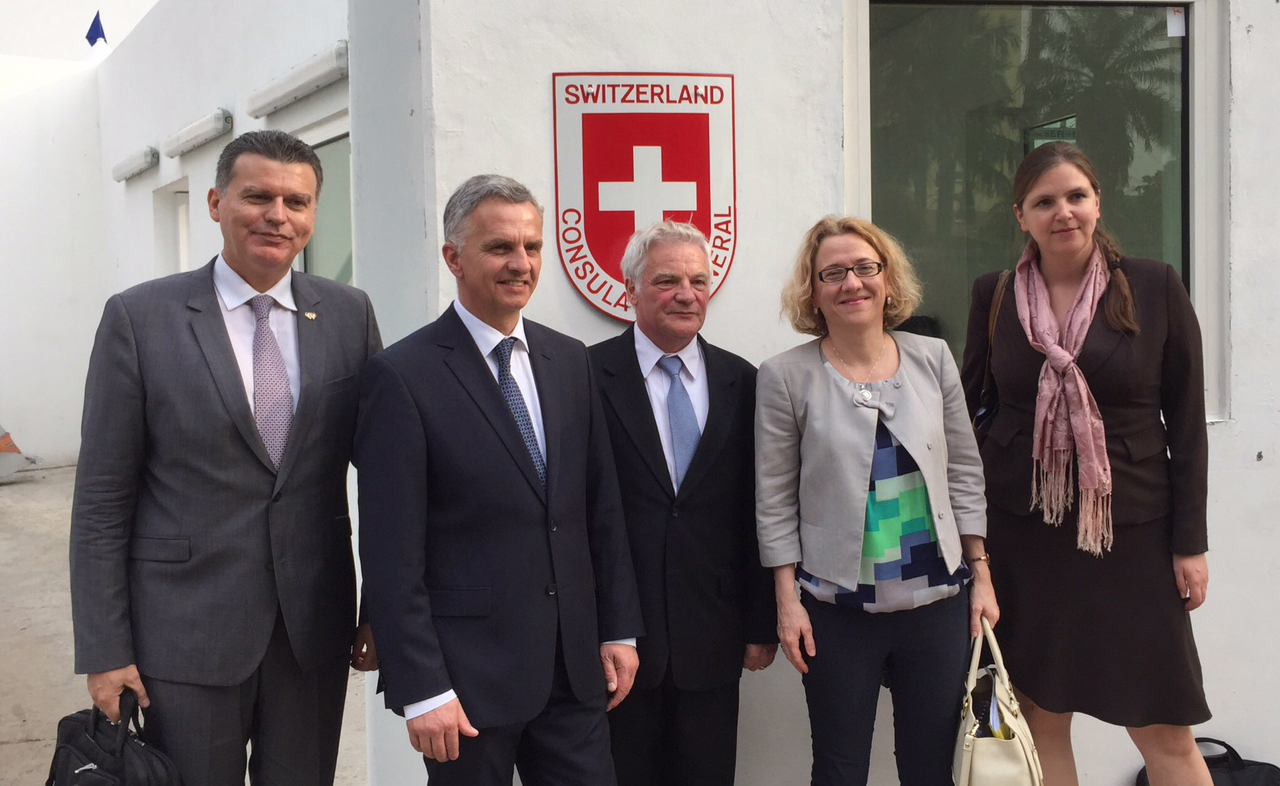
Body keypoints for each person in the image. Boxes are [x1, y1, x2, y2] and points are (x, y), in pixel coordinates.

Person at [69, 130, 382, 786]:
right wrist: (105, 649)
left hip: (311, 630)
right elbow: (102, 498)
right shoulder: (140, 319)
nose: (278, 214)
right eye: (257, 196)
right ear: (214, 202)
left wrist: (380, 604)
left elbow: (383, 475)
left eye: (297, 201)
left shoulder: (349, 314)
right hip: (183, 635)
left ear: (313, 215)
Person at [355, 174, 644, 785]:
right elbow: (390, 552)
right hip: (466, 684)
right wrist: (423, 688)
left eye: (532, 247)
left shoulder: (569, 360)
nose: (521, 263)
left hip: (574, 671)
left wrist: (619, 628)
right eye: (499, 248)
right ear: (453, 257)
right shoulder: (402, 376)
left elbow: (601, 509)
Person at [961, 141, 1211, 786]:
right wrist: (972, 548)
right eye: (1044, 201)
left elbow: (1186, 425)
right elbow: (968, 415)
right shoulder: (993, 297)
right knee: (1039, 720)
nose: (1062, 212)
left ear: (1098, 202)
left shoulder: (1154, 285)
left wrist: (1190, 544)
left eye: (1075, 196)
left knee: (1164, 727)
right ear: (1021, 215)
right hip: (1024, 535)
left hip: (1130, 534)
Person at [756, 216, 998, 786]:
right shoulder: (785, 377)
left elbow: (964, 469)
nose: (852, 282)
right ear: (813, 291)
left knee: (931, 766)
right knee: (839, 769)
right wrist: (787, 602)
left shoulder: (932, 357)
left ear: (888, 279)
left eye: (866, 267)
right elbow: (773, 499)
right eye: (832, 272)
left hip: (937, 604)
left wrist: (981, 574)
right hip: (839, 612)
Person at [589, 221, 777, 786]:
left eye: (698, 280)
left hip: (713, 634)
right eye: (667, 280)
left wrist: (760, 619)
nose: (686, 293)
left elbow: (756, 508)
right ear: (631, 290)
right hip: (620, 636)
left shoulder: (743, 381)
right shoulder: (584, 376)